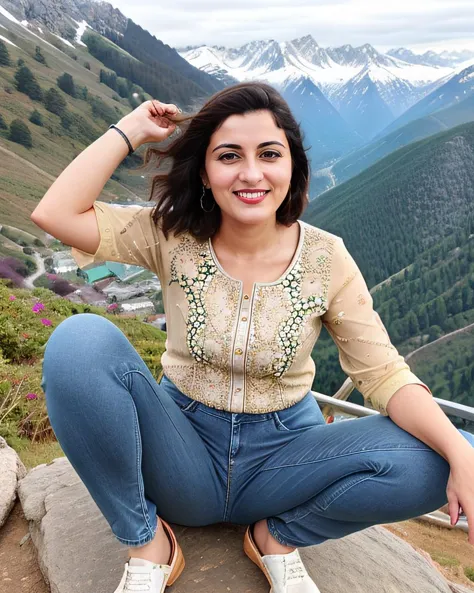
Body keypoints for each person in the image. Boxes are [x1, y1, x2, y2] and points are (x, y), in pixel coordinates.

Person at [31, 82, 474, 593]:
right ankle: (147, 541)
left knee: (448, 453)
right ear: (205, 171)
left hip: (286, 464)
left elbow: (384, 374)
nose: (250, 173)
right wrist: (131, 130)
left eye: (269, 154)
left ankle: (278, 535)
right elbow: (56, 214)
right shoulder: (170, 234)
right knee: (78, 342)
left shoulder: (326, 258)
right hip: (182, 455)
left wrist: (463, 461)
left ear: (293, 166)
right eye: (229, 156)